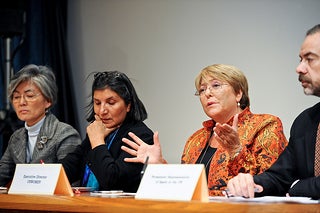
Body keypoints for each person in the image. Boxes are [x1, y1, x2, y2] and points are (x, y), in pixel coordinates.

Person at [121, 64, 288, 196]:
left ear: (238, 93)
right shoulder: (196, 139)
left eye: (215, 85)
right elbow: (185, 191)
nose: (207, 93)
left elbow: (271, 184)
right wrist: (160, 166)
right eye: (202, 90)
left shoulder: (266, 125)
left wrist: (236, 151)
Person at [227, 24, 320, 199]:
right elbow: (280, 176)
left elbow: (293, 185)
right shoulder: (305, 122)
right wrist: (251, 184)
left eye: (310, 59)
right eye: (300, 59)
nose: (299, 68)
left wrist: (296, 187)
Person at [60, 70, 154, 193]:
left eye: (110, 103)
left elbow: (112, 182)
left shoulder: (140, 135)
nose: (102, 111)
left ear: (128, 105)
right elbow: (67, 170)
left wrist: (98, 142)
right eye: (97, 103)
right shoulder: (99, 131)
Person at [0, 64, 82, 187]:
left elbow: (68, 181)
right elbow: (2, 174)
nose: (21, 102)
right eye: (16, 97)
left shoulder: (65, 134)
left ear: (48, 101)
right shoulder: (16, 138)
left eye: (30, 96)